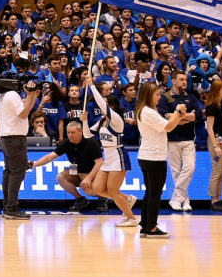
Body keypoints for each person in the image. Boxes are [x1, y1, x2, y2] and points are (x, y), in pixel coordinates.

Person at [83, 75, 139, 226]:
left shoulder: (116, 119)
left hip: (118, 155)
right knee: (98, 188)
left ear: (111, 107)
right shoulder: (102, 121)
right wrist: (84, 122)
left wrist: (92, 86)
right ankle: (127, 199)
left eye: (105, 105)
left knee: (113, 191)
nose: (101, 107)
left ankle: (132, 219)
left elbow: (102, 105)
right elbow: (88, 135)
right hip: (107, 156)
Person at [134, 80, 187, 238]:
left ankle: (145, 225)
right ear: (149, 95)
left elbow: (169, 124)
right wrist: (178, 112)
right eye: (157, 95)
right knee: (155, 194)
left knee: (150, 193)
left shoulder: (144, 110)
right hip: (154, 158)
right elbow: (169, 127)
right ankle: (151, 228)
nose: (159, 97)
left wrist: (177, 116)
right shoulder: (148, 112)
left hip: (148, 156)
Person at [29, 119, 104, 212]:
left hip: (92, 174)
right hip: (76, 172)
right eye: (68, 132)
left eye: (73, 132)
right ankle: (81, 199)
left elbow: (100, 162)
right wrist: (34, 165)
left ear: (81, 132)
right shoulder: (67, 143)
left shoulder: (91, 142)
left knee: (87, 190)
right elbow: (50, 157)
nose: (70, 135)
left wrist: (88, 178)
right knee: (60, 177)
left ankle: (103, 196)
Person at [158, 71, 203, 212]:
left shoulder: (190, 97)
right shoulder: (165, 97)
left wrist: (178, 116)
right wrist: (185, 118)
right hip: (171, 140)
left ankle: (176, 199)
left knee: (189, 168)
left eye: (186, 79)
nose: (184, 82)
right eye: (181, 79)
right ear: (173, 81)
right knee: (176, 172)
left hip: (189, 139)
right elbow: (165, 118)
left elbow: (199, 115)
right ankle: (185, 200)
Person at [0, 76, 39, 219]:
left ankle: (7, 206)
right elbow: (24, 114)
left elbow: (25, 108)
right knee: (17, 173)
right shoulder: (12, 95)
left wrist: (31, 95)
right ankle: (11, 208)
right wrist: (30, 95)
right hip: (15, 139)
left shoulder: (2, 95)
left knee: (9, 172)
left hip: (7, 139)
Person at [202, 80, 222, 210]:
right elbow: (210, 128)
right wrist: (215, 145)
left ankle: (219, 198)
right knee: (216, 171)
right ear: (217, 90)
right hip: (217, 141)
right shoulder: (211, 106)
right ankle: (213, 200)